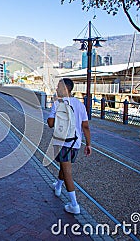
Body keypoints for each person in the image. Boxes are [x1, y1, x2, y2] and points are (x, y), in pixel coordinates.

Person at [47, 78, 92, 214]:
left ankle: (74, 205)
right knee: (64, 165)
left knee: (67, 172)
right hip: (75, 143)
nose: (56, 89)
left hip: (62, 142)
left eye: (59, 86)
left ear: (65, 88)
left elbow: (50, 123)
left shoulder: (57, 103)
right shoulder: (80, 104)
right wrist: (88, 144)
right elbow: (85, 126)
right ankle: (58, 187)